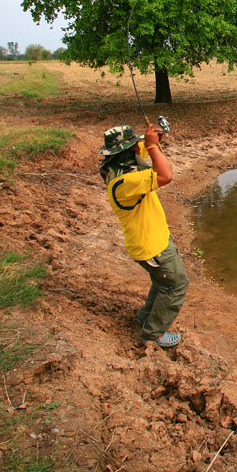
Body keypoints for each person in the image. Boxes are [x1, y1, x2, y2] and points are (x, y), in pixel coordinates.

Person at [99, 123, 188, 347]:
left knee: (162, 282)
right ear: (126, 151)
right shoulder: (124, 182)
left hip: (152, 240)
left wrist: (154, 142)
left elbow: (145, 148)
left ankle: (144, 317)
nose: (138, 148)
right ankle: (154, 333)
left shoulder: (115, 164)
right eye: (134, 145)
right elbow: (165, 175)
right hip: (152, 247)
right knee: (175, 284)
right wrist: (153, 146)